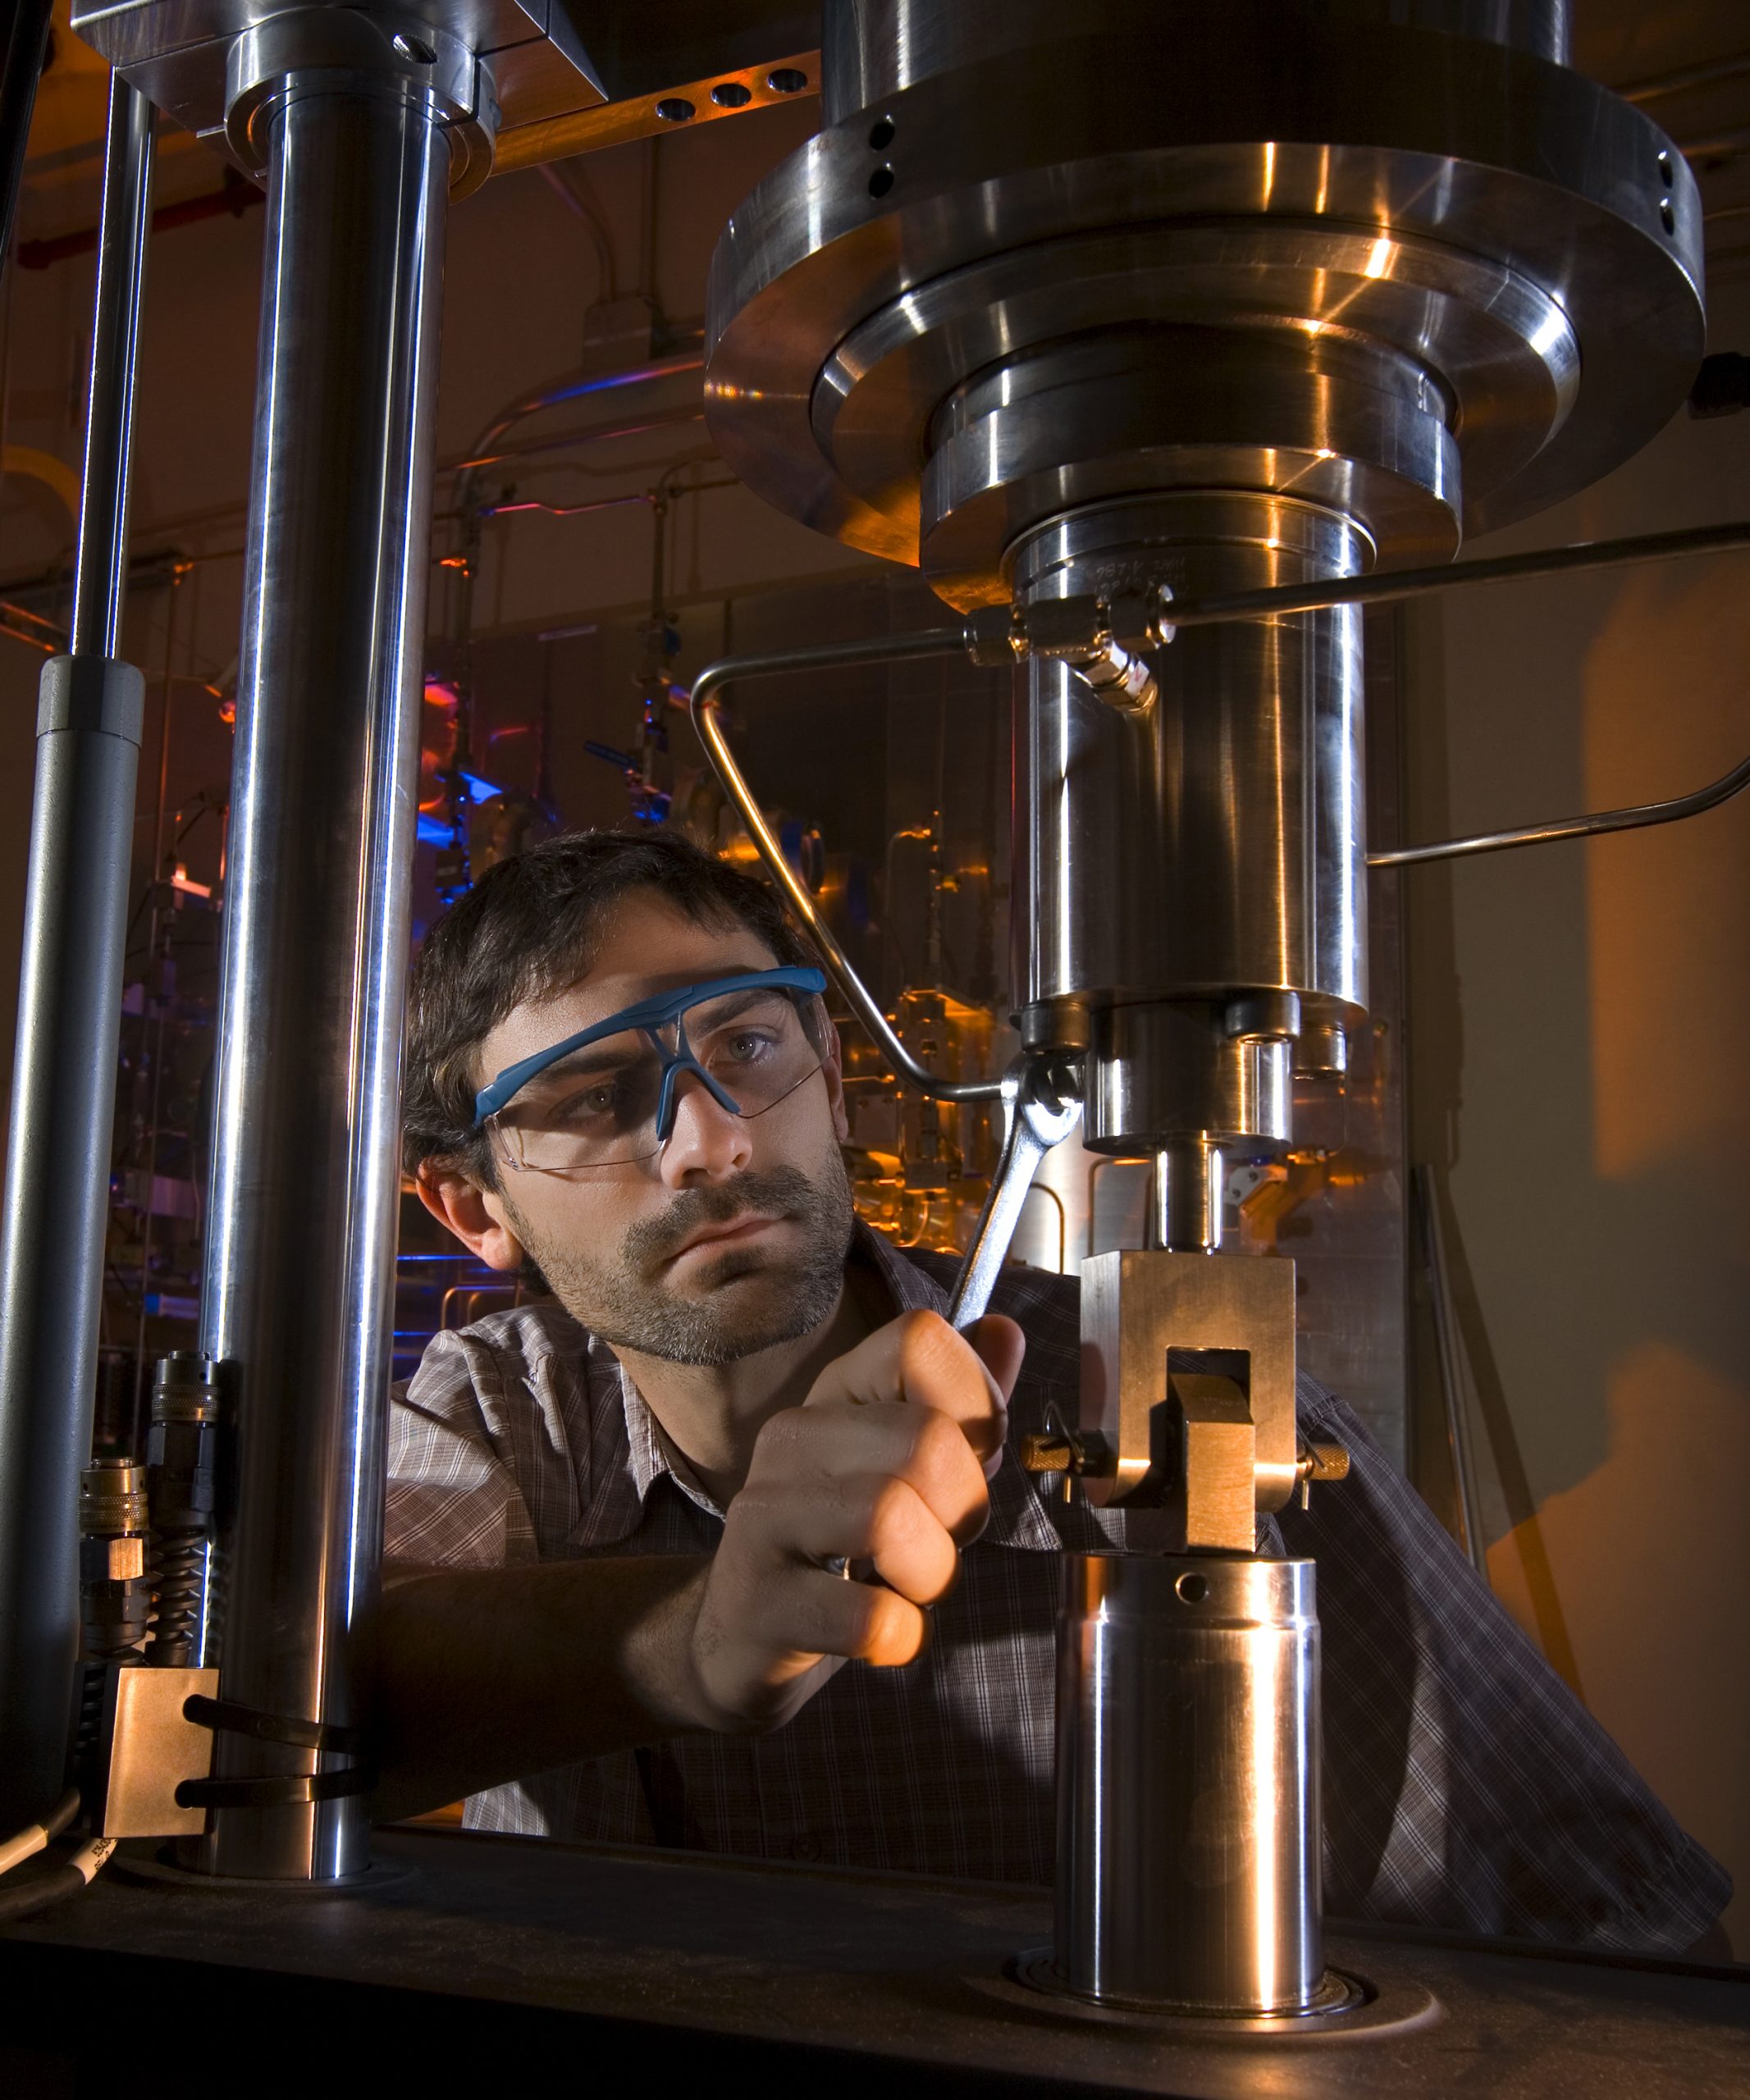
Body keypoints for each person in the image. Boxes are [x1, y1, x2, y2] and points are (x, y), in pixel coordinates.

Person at [379, 829, 1729, 1952]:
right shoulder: (494, 1420)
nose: (706, 1140)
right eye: (592, 1096)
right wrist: (682, 1642)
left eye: (744, 1047)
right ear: (469, 1207)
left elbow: (1615, 1947)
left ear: (832, 1075)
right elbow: (291, 1710)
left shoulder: (1176, 1430)